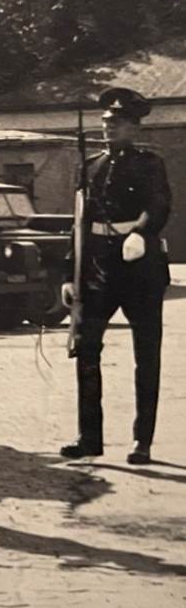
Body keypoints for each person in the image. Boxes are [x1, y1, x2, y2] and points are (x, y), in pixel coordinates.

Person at [60, 86, 171, 465]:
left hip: (139, 266)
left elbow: (158, 204)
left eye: (119, 123)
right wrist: (69, 273)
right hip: (98, 267)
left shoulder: (149, 164)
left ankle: (143, 439)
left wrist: (141, 232)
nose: (110, 128)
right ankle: (89, 436)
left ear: (135, 128)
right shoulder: (89, 166)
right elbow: (78, 222)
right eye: (107, 121)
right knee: (86, 348)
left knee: (146, 354)